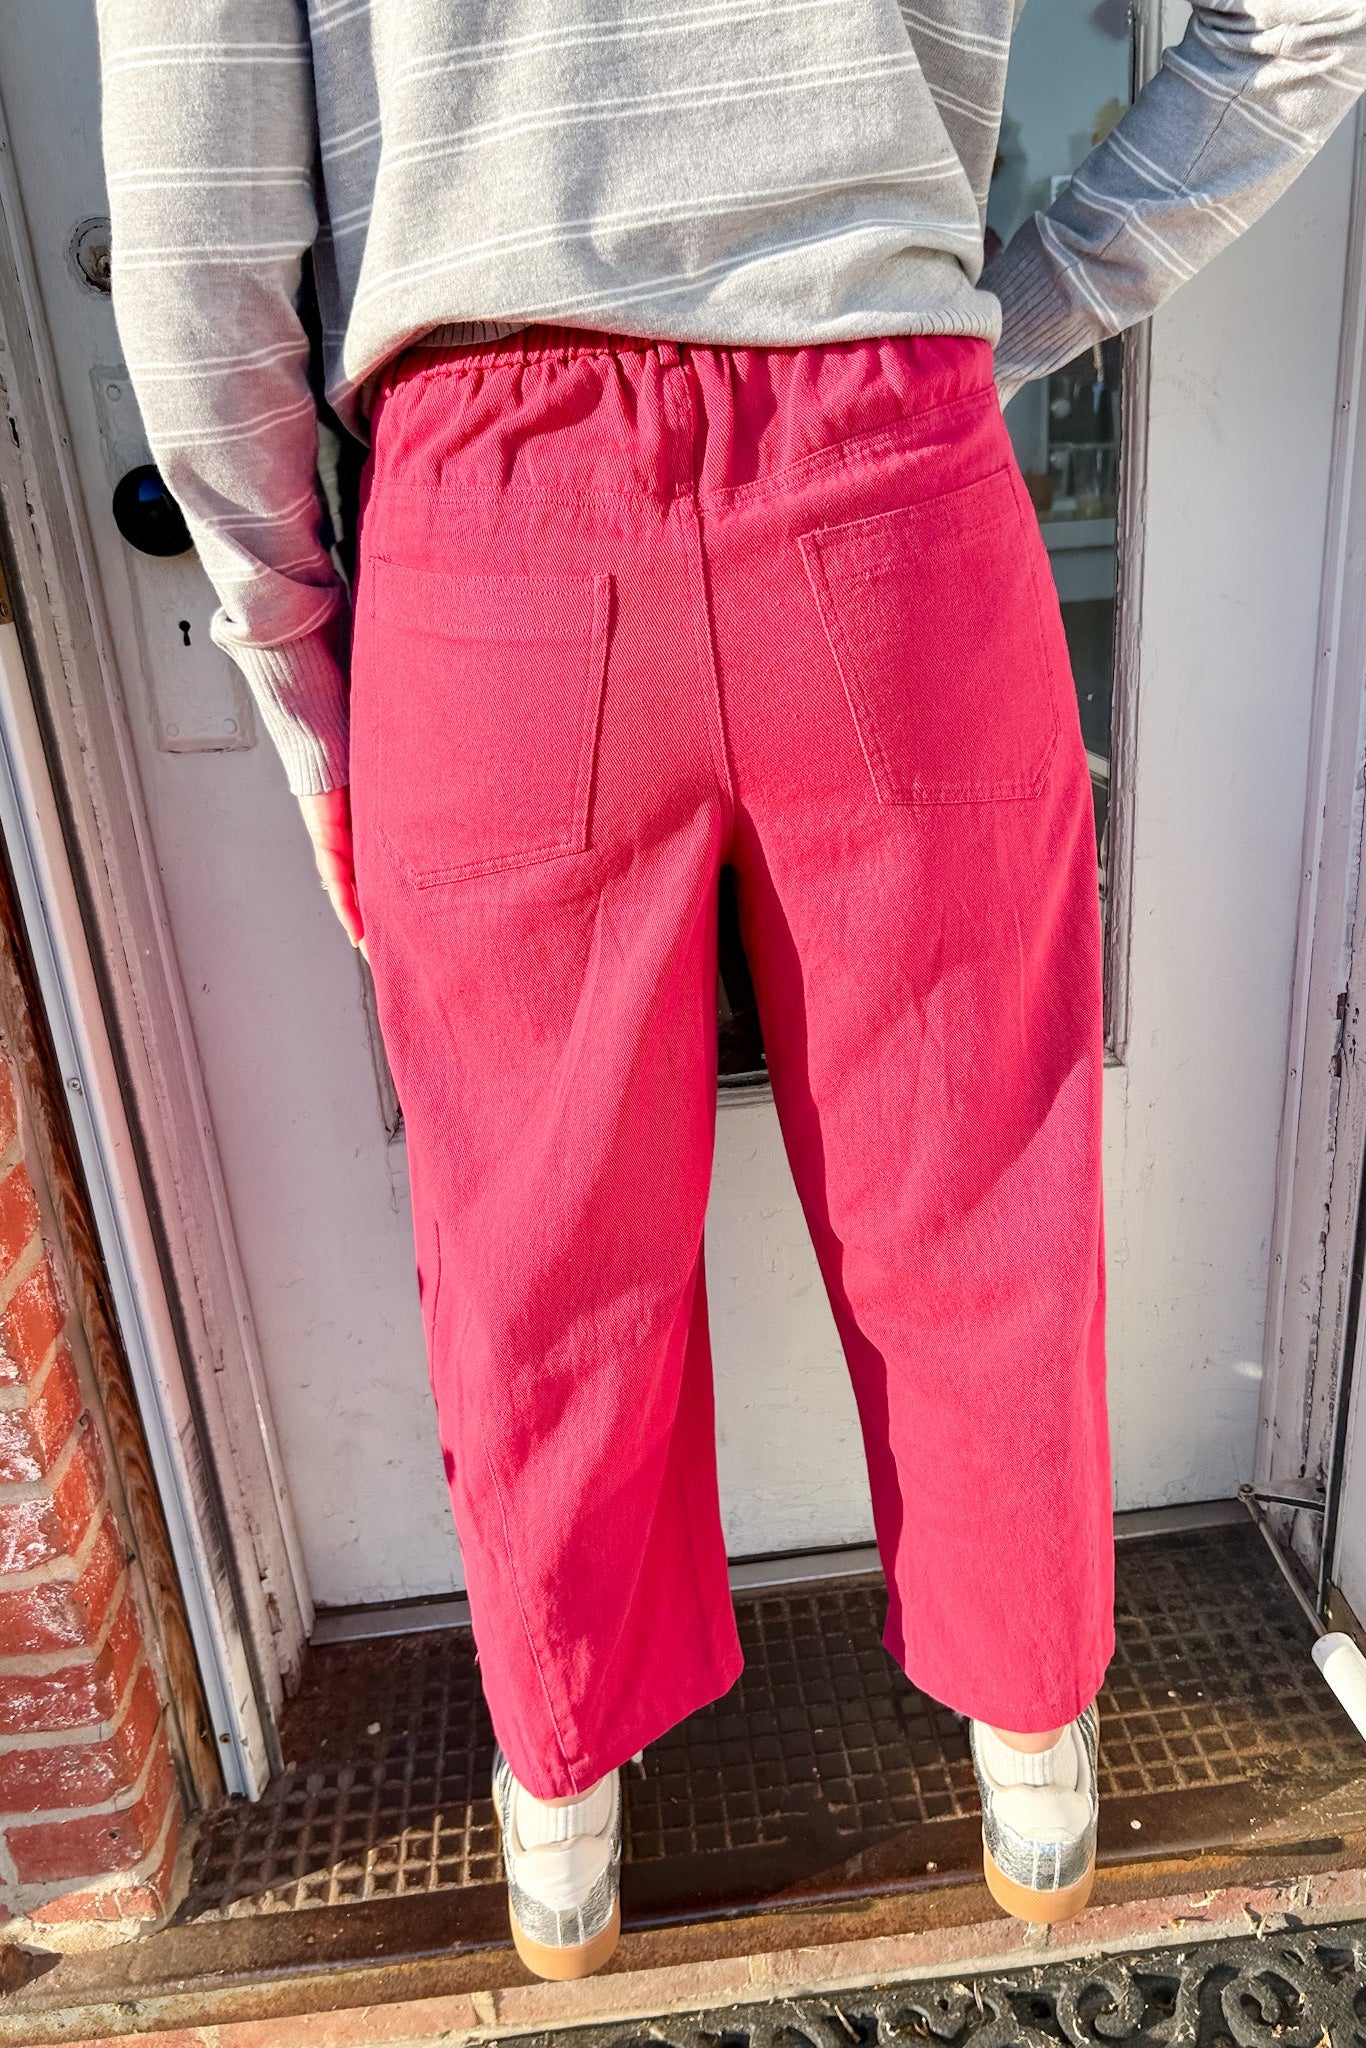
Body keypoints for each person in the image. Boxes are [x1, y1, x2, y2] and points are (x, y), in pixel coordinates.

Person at [96, 0, 1366, 1981]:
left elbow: (196, 217)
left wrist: (297, 672)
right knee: (971, 1175)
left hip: (490, 522)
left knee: (533, 1231)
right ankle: (1032, 1753)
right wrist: (995, 316)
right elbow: (1296, 23)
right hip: (886, 475)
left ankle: (562, 1819)